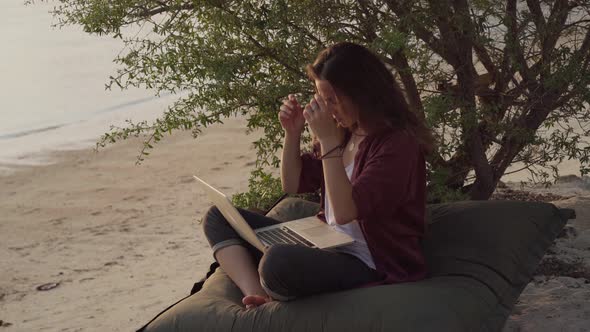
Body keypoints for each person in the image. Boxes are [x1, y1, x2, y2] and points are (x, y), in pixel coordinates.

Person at [202, 42, 435, 309]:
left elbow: (347, 211)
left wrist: (327, 141)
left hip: (369, 262)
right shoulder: (347, 132)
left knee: (278, 263)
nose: (329, 109)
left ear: (362, 93)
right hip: (326, 242)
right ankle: (258, 297)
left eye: (333, 100)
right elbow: (292, 183)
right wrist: (292, 132)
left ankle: (267, 289)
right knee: (218, 216)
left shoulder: (396, 144)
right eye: (322, 99)